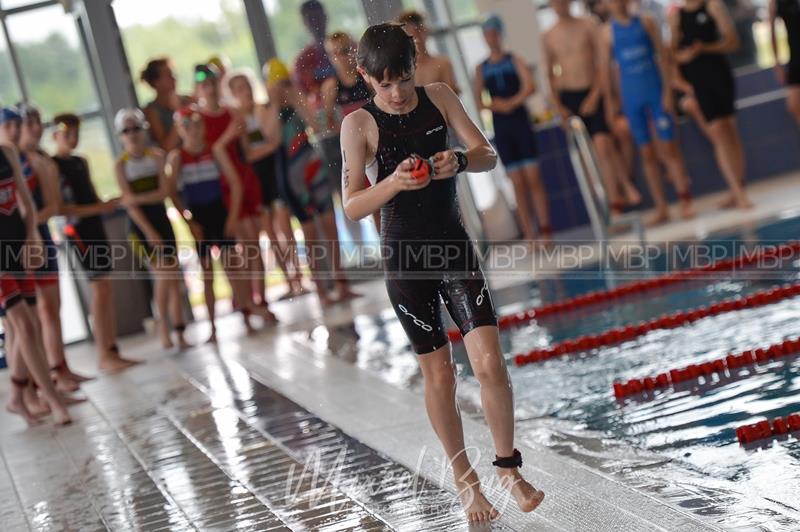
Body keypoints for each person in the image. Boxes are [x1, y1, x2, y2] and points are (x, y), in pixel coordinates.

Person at [341, 23, 545, 523]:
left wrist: (459, 159)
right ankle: (465, 481)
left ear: (416, 66)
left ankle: (507, 468)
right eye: (384, 84)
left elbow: (487, 153)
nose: (395, 93)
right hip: (406, 260)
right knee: (440, 375)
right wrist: (391, 182)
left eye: (403, 80)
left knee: (491, 363)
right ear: (366, 77)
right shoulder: (359, 125)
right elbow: (352, 206)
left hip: (454, 247)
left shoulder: (438, 97)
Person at [167, 105, 273, 342]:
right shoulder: (177, 158)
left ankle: (246, 318)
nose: (193, 131)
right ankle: (213, 328)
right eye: (187, 127)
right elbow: (171, 193)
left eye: (197, 125)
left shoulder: (214, 151)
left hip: (220, 215)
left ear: (203, 126)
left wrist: (233, 217)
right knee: (207, 274)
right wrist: (189, 221)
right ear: (179, 130)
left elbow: (235, 184)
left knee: (234, 269)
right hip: (200, 220)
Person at [265, 58, 359, 306]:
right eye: (278, 84)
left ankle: (341, 282)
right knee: (309, 232)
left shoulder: (297, 102)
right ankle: (320, 288)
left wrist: (297, 100)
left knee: (330, 225)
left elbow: (317, 126)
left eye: (285, 83)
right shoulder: (266, 109)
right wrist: (276, 105)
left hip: (312, 167)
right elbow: (272, 140)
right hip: (292, 178)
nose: (282, 88)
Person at [52, 113, 140, 373]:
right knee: (99, 290)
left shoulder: (80, 161)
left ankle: (112, 349)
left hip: (94, 227)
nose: (73, 138)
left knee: (106, 289)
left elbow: (87, 196)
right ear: (55, 136)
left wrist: (105, 204)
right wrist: (99, 207)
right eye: (67, 134)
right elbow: (64, 208)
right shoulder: (54, 166)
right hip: (77, 230)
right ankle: (104, 353)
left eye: (76, 133)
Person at [13, 104, 92, 392]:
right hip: (24, 241)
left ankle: (59, 367)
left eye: (37, 121)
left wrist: (32, 220)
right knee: (33, 314)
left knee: (51, 307)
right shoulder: (15, 161)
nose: (34, 127)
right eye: (28, 122)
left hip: (41, 237)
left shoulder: (41, 160)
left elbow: (53, 206)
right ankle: (43, 378)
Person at [543, 0, 642, 215]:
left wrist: (597, 95)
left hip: (592, 92)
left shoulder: (588, 24)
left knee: (604, 145)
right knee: (586, 156)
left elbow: (602, 63)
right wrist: (559, 107)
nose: (560, 5)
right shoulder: (548, 36)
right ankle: (604, 206)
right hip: (568, 97)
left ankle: (616, 204)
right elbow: (550, 75)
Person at [601, 0, 695, 225]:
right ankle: (661, 207)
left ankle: (685, 200)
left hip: (654, 91)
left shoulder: (646, 21)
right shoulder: (606, 33)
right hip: (631, 98)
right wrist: (611, 105)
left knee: (669, 147)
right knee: (646, 153)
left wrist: (667, 91)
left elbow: (663, 56)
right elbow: (606, 72)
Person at [194, 63, 276, 317]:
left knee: (254, 241)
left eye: (213, 83)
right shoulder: (198, 120)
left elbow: (248, 152)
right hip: (222, 185)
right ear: (198, 89)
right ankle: (244, 300)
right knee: (238, 245)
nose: (209, 90)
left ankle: (260, 299)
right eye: (204, 85)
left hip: (243, 177)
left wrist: (271, 146)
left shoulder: (232, 114)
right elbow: (207, 152)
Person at [1, 140, 72, 426]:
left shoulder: (6, 152)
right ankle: (54, 400)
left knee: (26, 326)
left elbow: (26, 201)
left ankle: (16, 397)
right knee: (25, 326)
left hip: (18, 243)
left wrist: (33, 236)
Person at [226, 71, 306, 300]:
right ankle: (289, 279)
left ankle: (299, 276)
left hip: (274, 171)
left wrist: (268, 146)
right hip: (256, 178)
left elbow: (275, 139)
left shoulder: (264, 109)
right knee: (270, 233)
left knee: (285, 226)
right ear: (233, 94)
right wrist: (268, 147)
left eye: (247, 86)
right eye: (240, 89)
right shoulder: (238, 120)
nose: (246, 92)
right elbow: (250, 154)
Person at [114, 108, 189, 349]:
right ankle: (163, 327)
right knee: (163, 277)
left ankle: (179, 332)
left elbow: (165, 192)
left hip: (161, 220)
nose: (132, 134)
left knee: (173, 277)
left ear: (143, 129)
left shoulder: (156, 156)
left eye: (136, 128)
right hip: (141, 227)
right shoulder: (121, 165)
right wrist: (149, 231)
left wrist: (137, 198)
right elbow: (130, 206)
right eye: (127, 130)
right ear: (120, 135)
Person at [474, 14, 551, 240]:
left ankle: (546, 229)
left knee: (534, 177)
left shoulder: (513, 59)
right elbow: (478, 101)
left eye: (494, 34)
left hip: (520, 121)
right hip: (502, 126)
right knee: (517, 183)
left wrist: (512, 102)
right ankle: (529, 233)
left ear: (500, 35)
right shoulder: (481, 68)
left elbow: (531, 85)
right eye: (487, 35)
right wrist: (495, 105)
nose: (491, 39)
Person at [670, 0, 752, 210]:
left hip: (719, 74)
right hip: (698, 81)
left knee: (731, 131)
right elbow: (672, 56)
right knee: (718, 133)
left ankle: (739, 187)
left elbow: (733, 42)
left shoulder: (713, 6)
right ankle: (737, 190)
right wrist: (686, 62)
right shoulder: (676, 16)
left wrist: (705, 47)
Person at [397, 10, 461, 93]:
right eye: (411, 33)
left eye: (418, 30)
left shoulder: (443, 63)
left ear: (426, 30)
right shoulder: (400, 68)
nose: (416, 36)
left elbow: (452, 96)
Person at [140, 58, 194, 151]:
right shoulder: (152, 111)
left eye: (173, 74)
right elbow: (166, 147)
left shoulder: (188, 99)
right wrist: (179, 112)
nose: (174, 78)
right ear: (156, 82)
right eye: (169, 75)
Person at [770, 0, 800, 124]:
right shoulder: (775, 3)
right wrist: (777, 63)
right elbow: (772, 32)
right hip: (795, 57)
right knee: (793, 105)